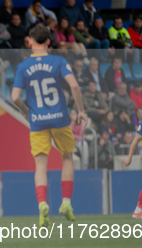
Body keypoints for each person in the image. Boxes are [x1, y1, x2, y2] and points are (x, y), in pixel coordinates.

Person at [11, 24, 87, 228]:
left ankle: (43, 204)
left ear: (29, 42)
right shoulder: (58, 61)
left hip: (38, 121)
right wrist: (80, 110)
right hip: (60, 118)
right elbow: (74, 85)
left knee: (41, 165)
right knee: (68, 158)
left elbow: (15, 97)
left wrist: (26, 112)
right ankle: (66, 203)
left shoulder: (23, 66)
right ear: (48, 43)